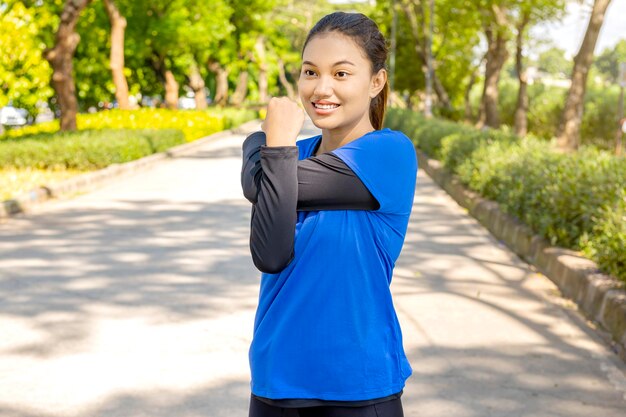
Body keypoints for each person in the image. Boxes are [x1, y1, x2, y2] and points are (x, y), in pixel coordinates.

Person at [241, 11, 417, 417]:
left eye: (341, 74)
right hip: (275, 378)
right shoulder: (293, 154)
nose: (321, 88)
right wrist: (276, 147)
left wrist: (268, 142)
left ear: (376, 82)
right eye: (310, 72)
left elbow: (257, 172)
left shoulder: (388, 153)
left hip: (358, 385)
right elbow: (270, 255)